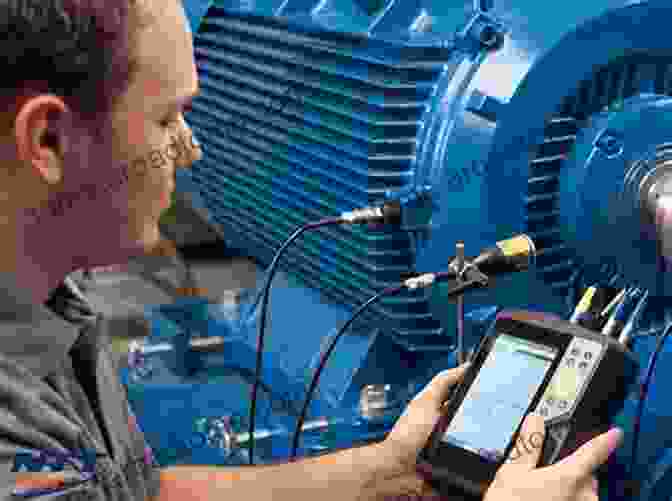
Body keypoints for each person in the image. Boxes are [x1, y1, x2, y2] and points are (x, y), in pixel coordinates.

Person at [0, 0, 623, 500]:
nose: (191, 150)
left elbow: (137, 494)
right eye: (167, 120)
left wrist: (386, 471)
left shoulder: (45, 292)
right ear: (48, 139)